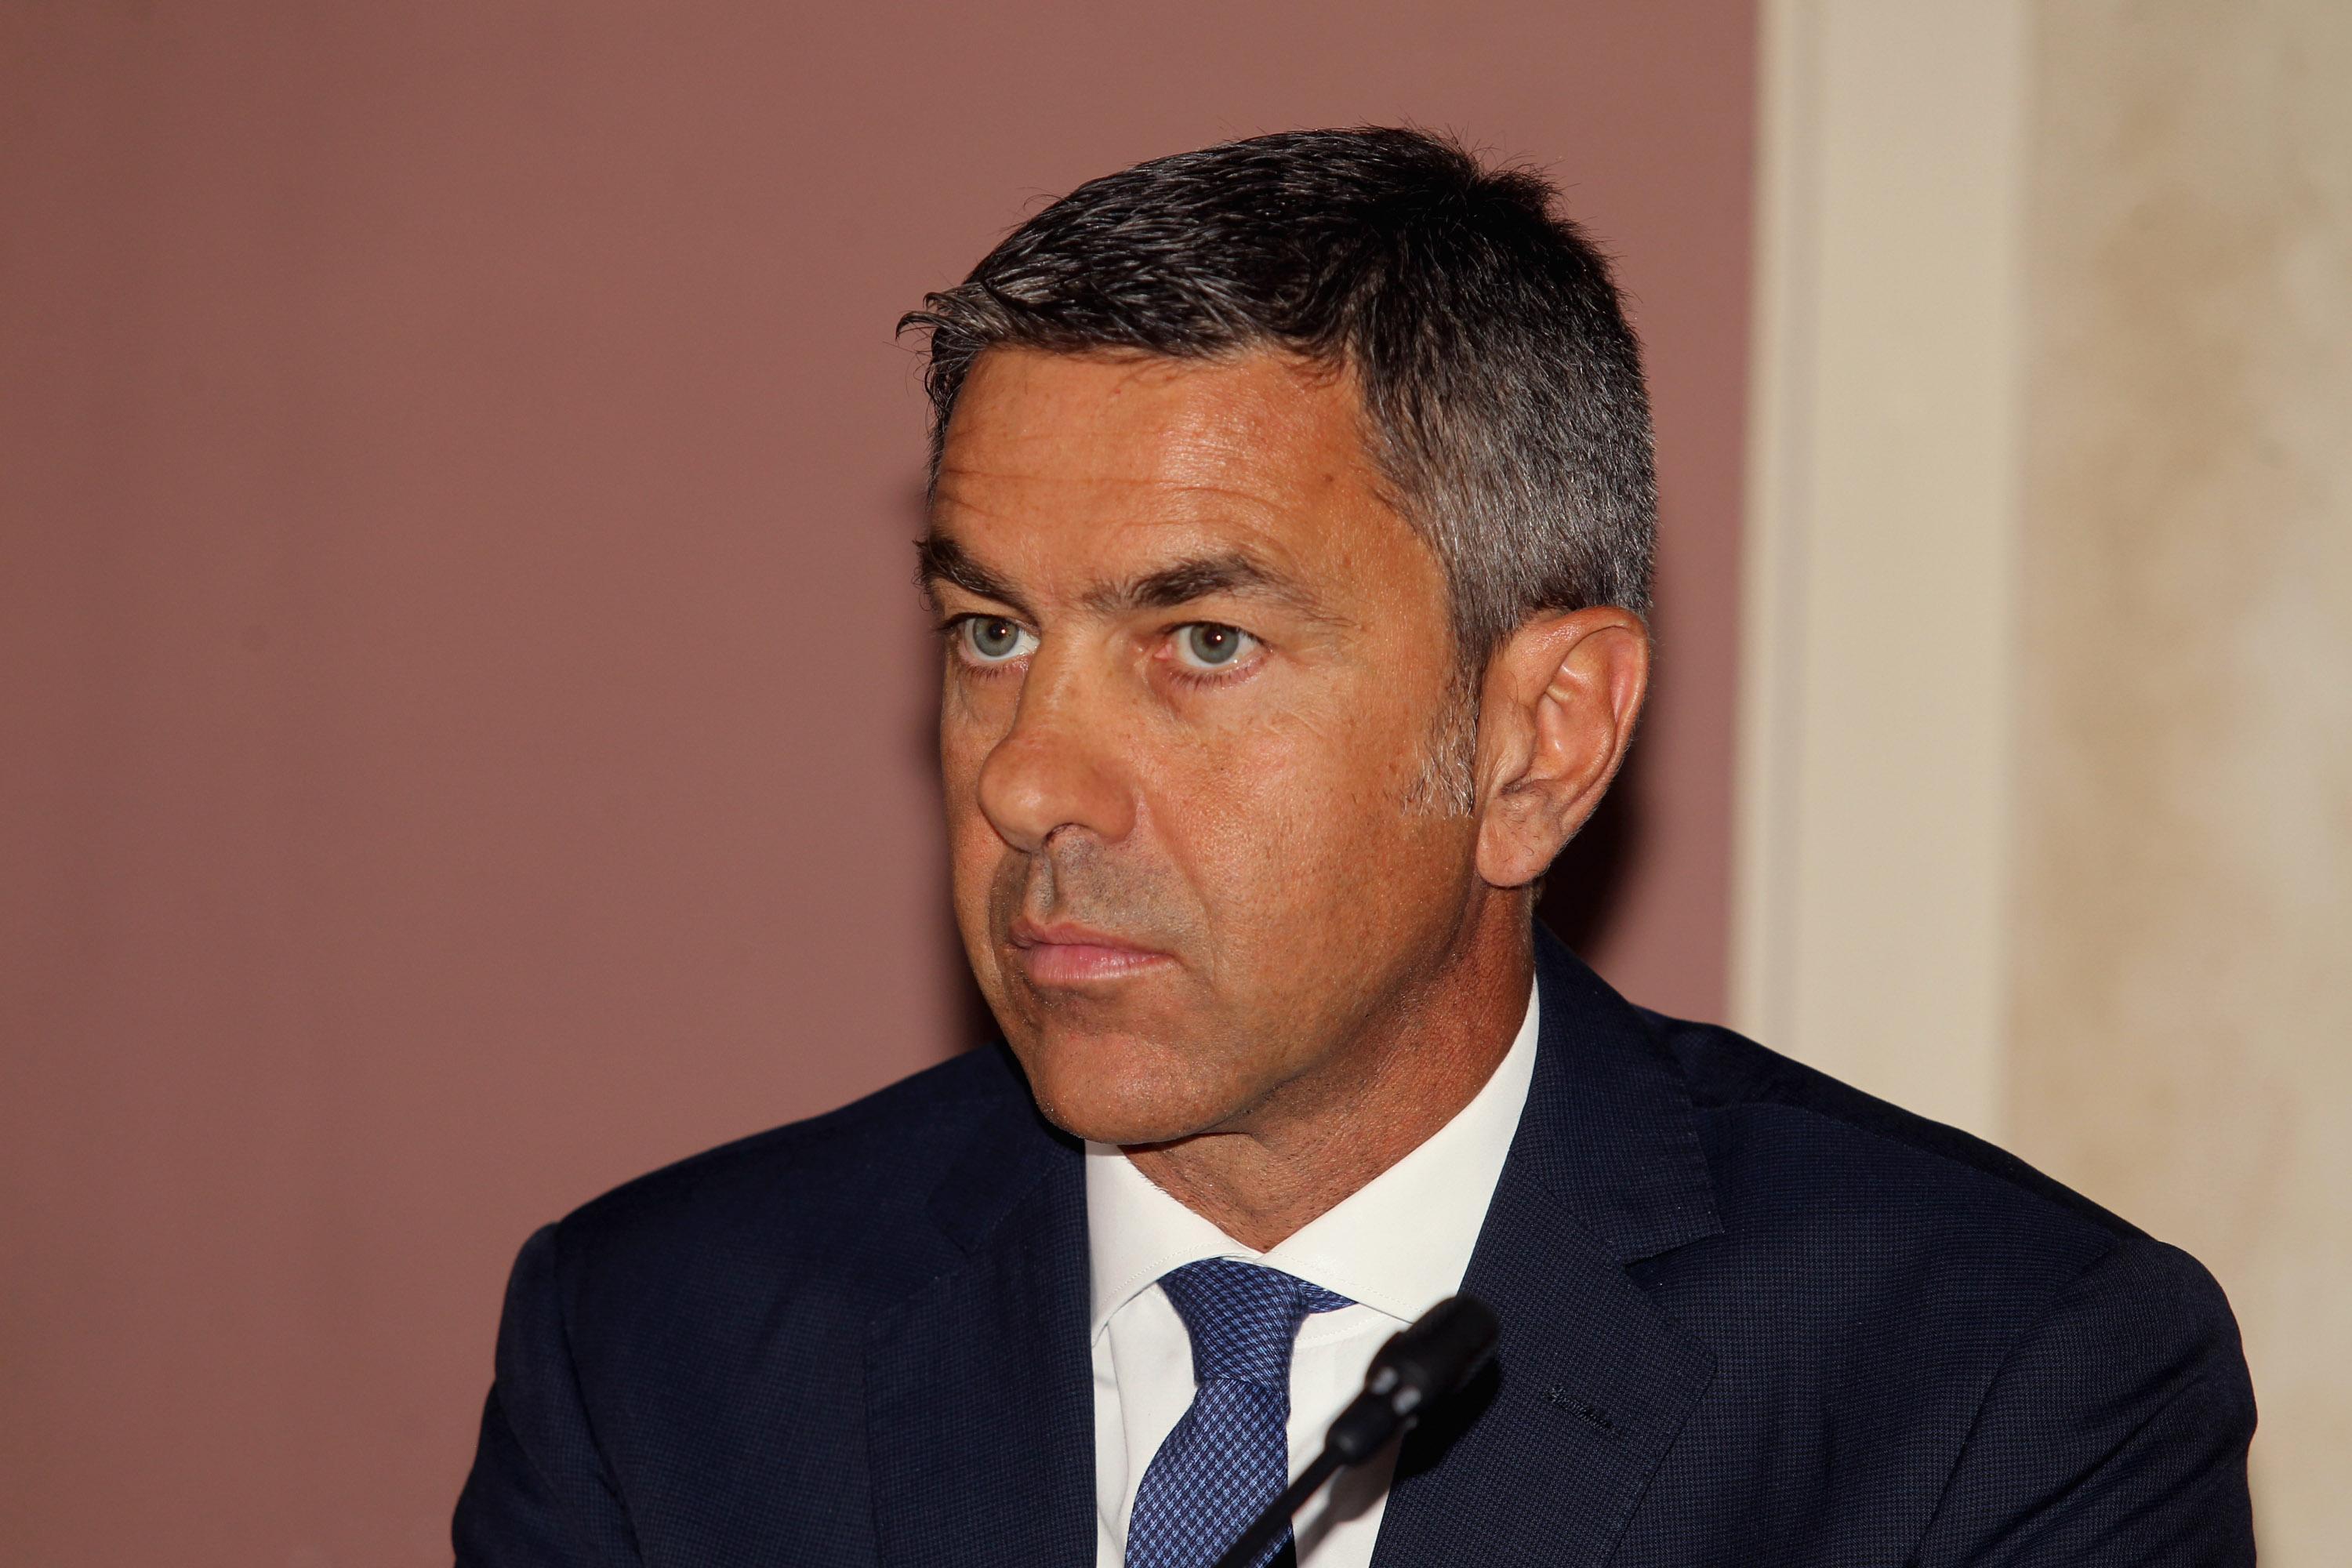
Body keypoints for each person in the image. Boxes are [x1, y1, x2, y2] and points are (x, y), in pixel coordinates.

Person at [452, 128, 2256, 1566]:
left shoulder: (1998, 1384)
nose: (1027, 785)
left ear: (1538, 741)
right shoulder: (661, 1349)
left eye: (1204, 643)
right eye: (991, 633)